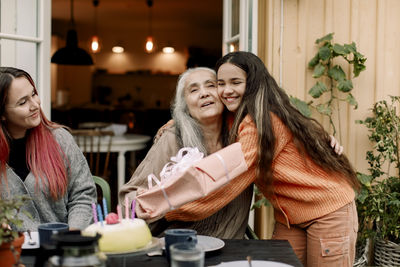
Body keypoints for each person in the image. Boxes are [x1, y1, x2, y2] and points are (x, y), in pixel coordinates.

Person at [164, 52, 360, 267]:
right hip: (290, 217)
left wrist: (166, 207)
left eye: (236, 82)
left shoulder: (262, 122)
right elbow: (205, 117)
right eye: (221, 83)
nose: (227, 90)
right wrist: (175, 126)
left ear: (253, 84)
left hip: (327, 210)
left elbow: (227, 184)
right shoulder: (236, 115)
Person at [119, 67, 254, 239]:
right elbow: (128, 197)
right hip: (181, 246)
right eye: (194, 90)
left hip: (232, 248)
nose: (204, 93)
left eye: (210, 86)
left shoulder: (245, 137)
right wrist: (157, 203)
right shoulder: (173, 139)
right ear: (185, 107)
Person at [0, 67, 96, 231]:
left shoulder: (61, 139)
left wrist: (72, 236)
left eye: (33, 94)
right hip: (11, 252)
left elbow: (83, 195)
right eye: (23, 102)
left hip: (64, 248)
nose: (35, 105)